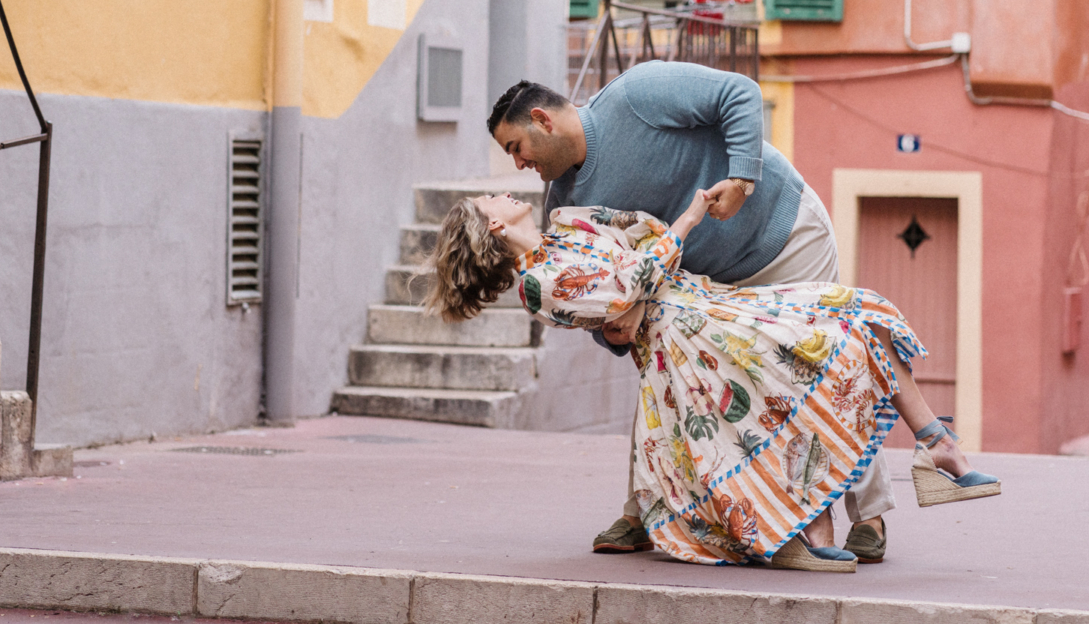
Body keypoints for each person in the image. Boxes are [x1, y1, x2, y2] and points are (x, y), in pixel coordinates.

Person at [425, 190, 1001, 569]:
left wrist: (636, 285)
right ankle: (810, 533)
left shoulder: (565, 229)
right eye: (491, 198)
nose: (505, 188)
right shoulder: (537, 283)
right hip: (686, 341)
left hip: (704, 307)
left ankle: (936, 447)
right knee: (789, 396)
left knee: (861, 314)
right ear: (496, 223)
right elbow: (639, 273)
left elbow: (642, 235)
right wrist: (684, 228)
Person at [487, 65, 908, 560]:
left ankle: (870, 515)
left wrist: (742, 177)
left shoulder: (636, 95)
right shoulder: (566, 202)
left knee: (825, 366)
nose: (518, 165)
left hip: (783, 236)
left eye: (516, 147)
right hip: (706, 289)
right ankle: (643, 511)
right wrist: (613, 336)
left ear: (542, 119)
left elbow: (740, 92)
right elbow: (597, 294)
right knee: (665, 380)